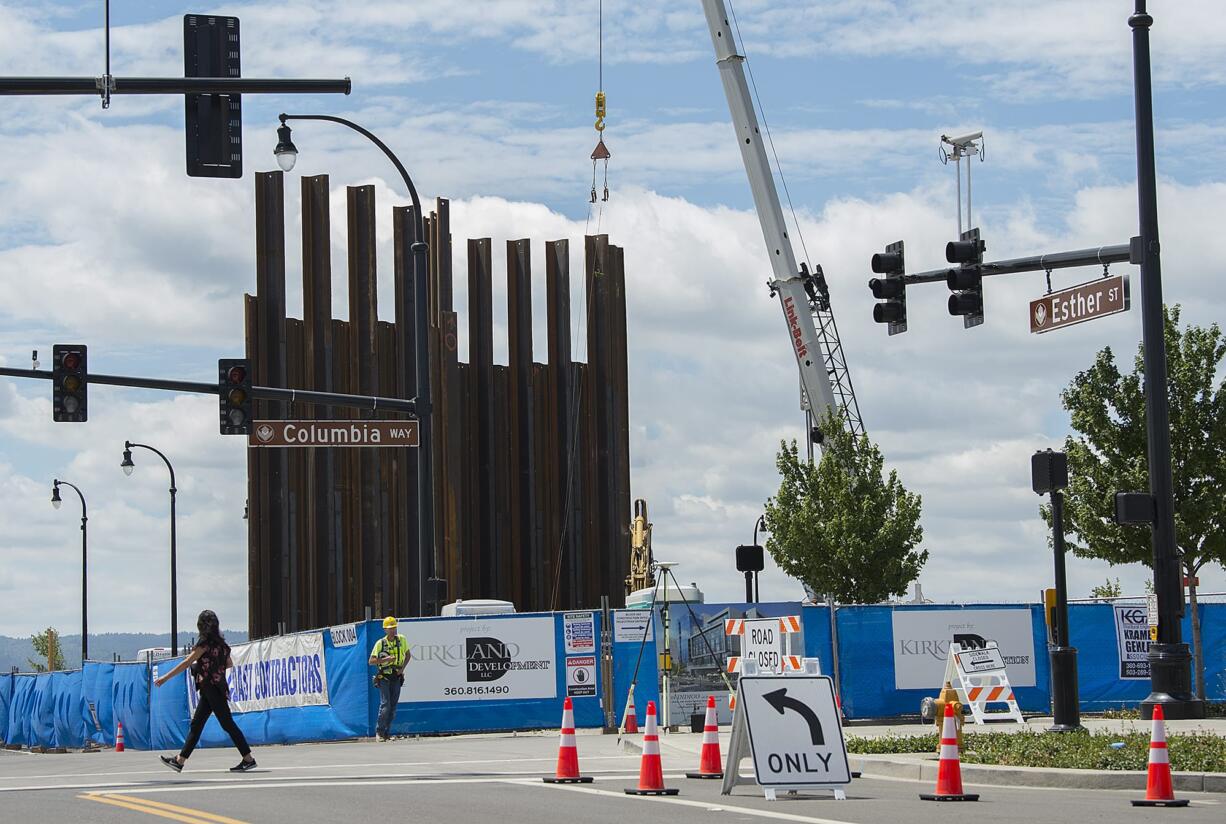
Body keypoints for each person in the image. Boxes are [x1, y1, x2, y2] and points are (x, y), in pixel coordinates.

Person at [154, 609, 257, 773]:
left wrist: (165, 678)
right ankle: (180, 761)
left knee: (227, 723)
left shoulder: (205, 643)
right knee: (197, 724)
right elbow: (228, 664)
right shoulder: (221, 644)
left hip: (211, 688)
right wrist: (212, 666)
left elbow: (187, 662)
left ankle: (248, 759)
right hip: (215, 688)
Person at [369, 616, 410, 741]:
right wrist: (386, 659)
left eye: (394, 627)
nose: (393, 630)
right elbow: (371, 661)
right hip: (384, 677)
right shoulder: (380, 643)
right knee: (385, 705)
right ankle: (379, 732)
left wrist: (402, 669)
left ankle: (387, 732)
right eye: (390, 628)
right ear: (385, 630)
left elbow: (408, 655)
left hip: (396, 677)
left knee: (393, 707)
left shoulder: (402, 640)